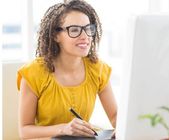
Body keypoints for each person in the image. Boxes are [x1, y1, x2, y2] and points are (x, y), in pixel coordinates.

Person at [17, 0, 117, 139]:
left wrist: (126, 127)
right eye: (75, 30)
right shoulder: (33, 72)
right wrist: (63, 129)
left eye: (88, 29)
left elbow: (115, 116)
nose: (85, 37)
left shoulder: (97, 69)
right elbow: (25, 131)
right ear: (55, 35)